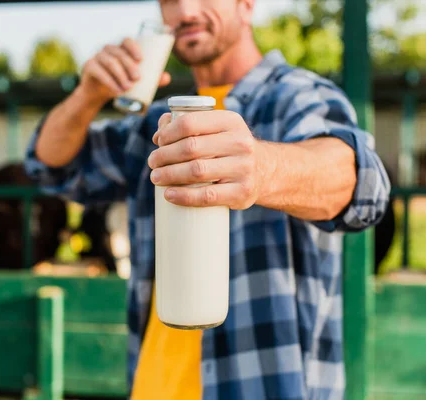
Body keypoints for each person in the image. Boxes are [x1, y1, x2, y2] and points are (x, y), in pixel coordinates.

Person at [24, 0, 391, 398]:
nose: (184, 11)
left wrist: (263, 168)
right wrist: (88, 95)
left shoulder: (300, 97)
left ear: (246, 5)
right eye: (169, 0)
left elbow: (361, 184)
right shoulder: (157, 122)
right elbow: (50, 166)